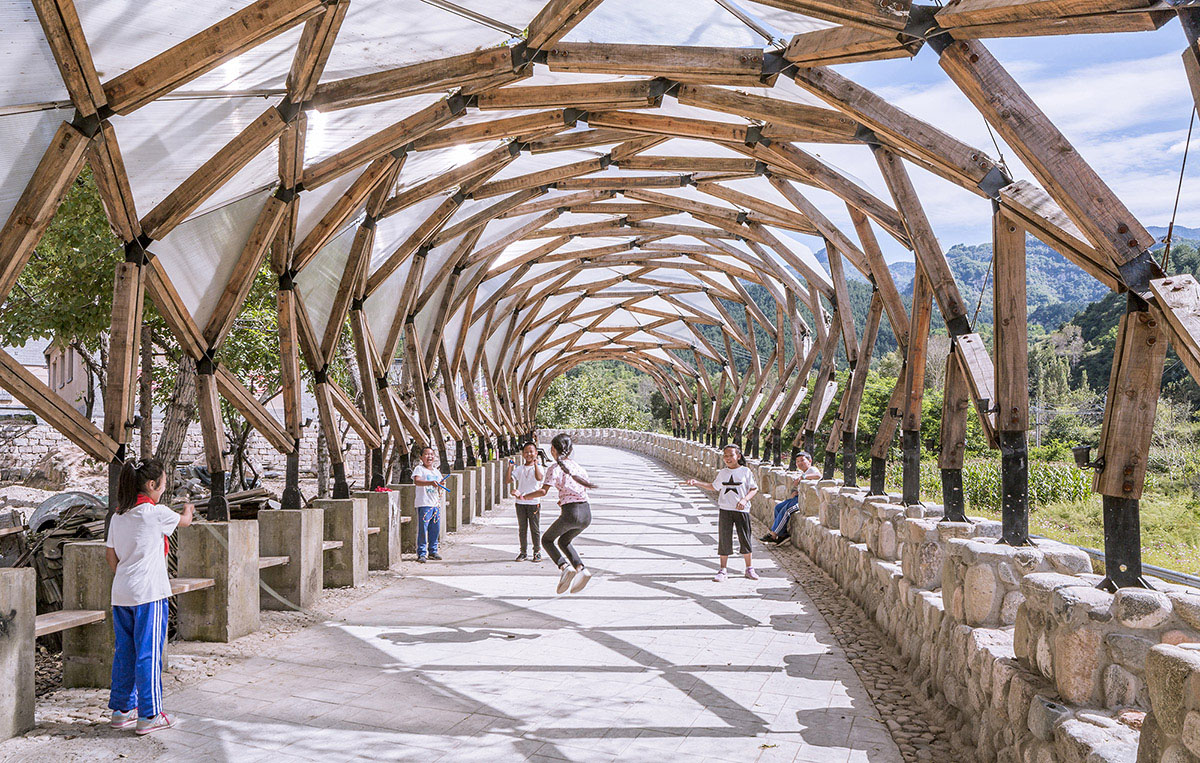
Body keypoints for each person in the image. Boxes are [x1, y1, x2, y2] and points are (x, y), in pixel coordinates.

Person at [106, 458, 194, 735]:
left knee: (125, 652)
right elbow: (185, 522)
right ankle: (150, 714)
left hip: (121, 593)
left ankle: (121, 710)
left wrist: (127, 574)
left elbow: (111, 555)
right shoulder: (157, 513)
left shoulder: (118, 515)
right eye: (163, 485)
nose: (163, 491)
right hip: (149, 594)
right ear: (152, 484)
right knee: (149, 653)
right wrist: (189, 508)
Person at [518, 433, 597, 594]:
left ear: (553, 449)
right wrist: (563, 500)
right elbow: (577, 491)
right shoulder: (579, 468)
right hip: (586, 514)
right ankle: (581, 569)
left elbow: (542, 491)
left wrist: (525, 496)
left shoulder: (554, 468)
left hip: (571, 513)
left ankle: (564, 567)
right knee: (564, 541)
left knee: (546, 540)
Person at [682, 444, 759, 581]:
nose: (728, 458)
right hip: (725, 509)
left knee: (745, 538)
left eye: (731, 455)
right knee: (724, 539)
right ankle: (723, 570)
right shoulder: (723, 473)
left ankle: (749, 568)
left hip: (741, 510)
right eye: (726, 456)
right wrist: (696, 483)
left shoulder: (745, 472)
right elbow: (713, 486)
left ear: (738, 456)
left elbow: (753, 489)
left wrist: (744, 500)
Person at [760, 450, 822, 544]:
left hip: (803, 502)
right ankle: (782, 534)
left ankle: (774, 534)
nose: (799, 463)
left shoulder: (812, 469)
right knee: (778, 507)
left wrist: (802, 477)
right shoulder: (803, 472)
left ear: (810, 461)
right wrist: (796, 491)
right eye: (797, 461)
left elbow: (818, 475)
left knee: (787, 510)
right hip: (797, 498)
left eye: (802, 460)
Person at [507, 441, 544, 562]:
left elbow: (539, 478)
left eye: (531, 452)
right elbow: (508, 480)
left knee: (535, 528)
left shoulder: (539, 468)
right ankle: (523, 552)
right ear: (523, 454)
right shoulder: (520, 469)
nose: (529, 454)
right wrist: (510, 468)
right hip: (520, 503)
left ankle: (537, 551)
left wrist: (536, 464)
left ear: (536, 453)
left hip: (534, 503)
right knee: (522, 528)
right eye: (526, 452)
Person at [412, 445, 445, 562]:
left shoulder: (436, 471)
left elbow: (440, 485)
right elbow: (417, 481)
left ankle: (433, 551)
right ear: (421, 457)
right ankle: (421, 553)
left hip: (435, 504)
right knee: (423, 529)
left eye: (431, 454)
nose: (429, 457)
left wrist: (441, 484)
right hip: (424, 504)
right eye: (426, 454)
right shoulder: (419, 469)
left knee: (435, 529)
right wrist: (430, 482)